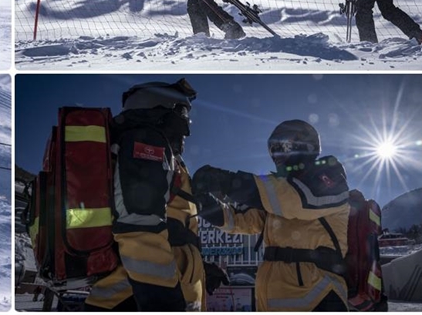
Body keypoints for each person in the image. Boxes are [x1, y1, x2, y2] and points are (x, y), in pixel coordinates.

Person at [191, 119, 350, 311]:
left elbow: (296, 200)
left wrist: (226, 181)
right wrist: (205, 204)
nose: (277, 153)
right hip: (275, 298)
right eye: (273, 148)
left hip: (319, 296)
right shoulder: (276, 194)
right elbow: (241, 219)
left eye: (282, 145)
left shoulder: (328, 177)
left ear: (306, 145)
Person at [83, 79, 197, 311]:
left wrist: (197, 269)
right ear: (161, 108)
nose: (186, 125)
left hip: (139, 293)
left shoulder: (166, 158)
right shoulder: (145, 142)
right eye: (182, 112)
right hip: (134, 297)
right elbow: (139, 227)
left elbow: (174, 231)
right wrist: (163, 300)